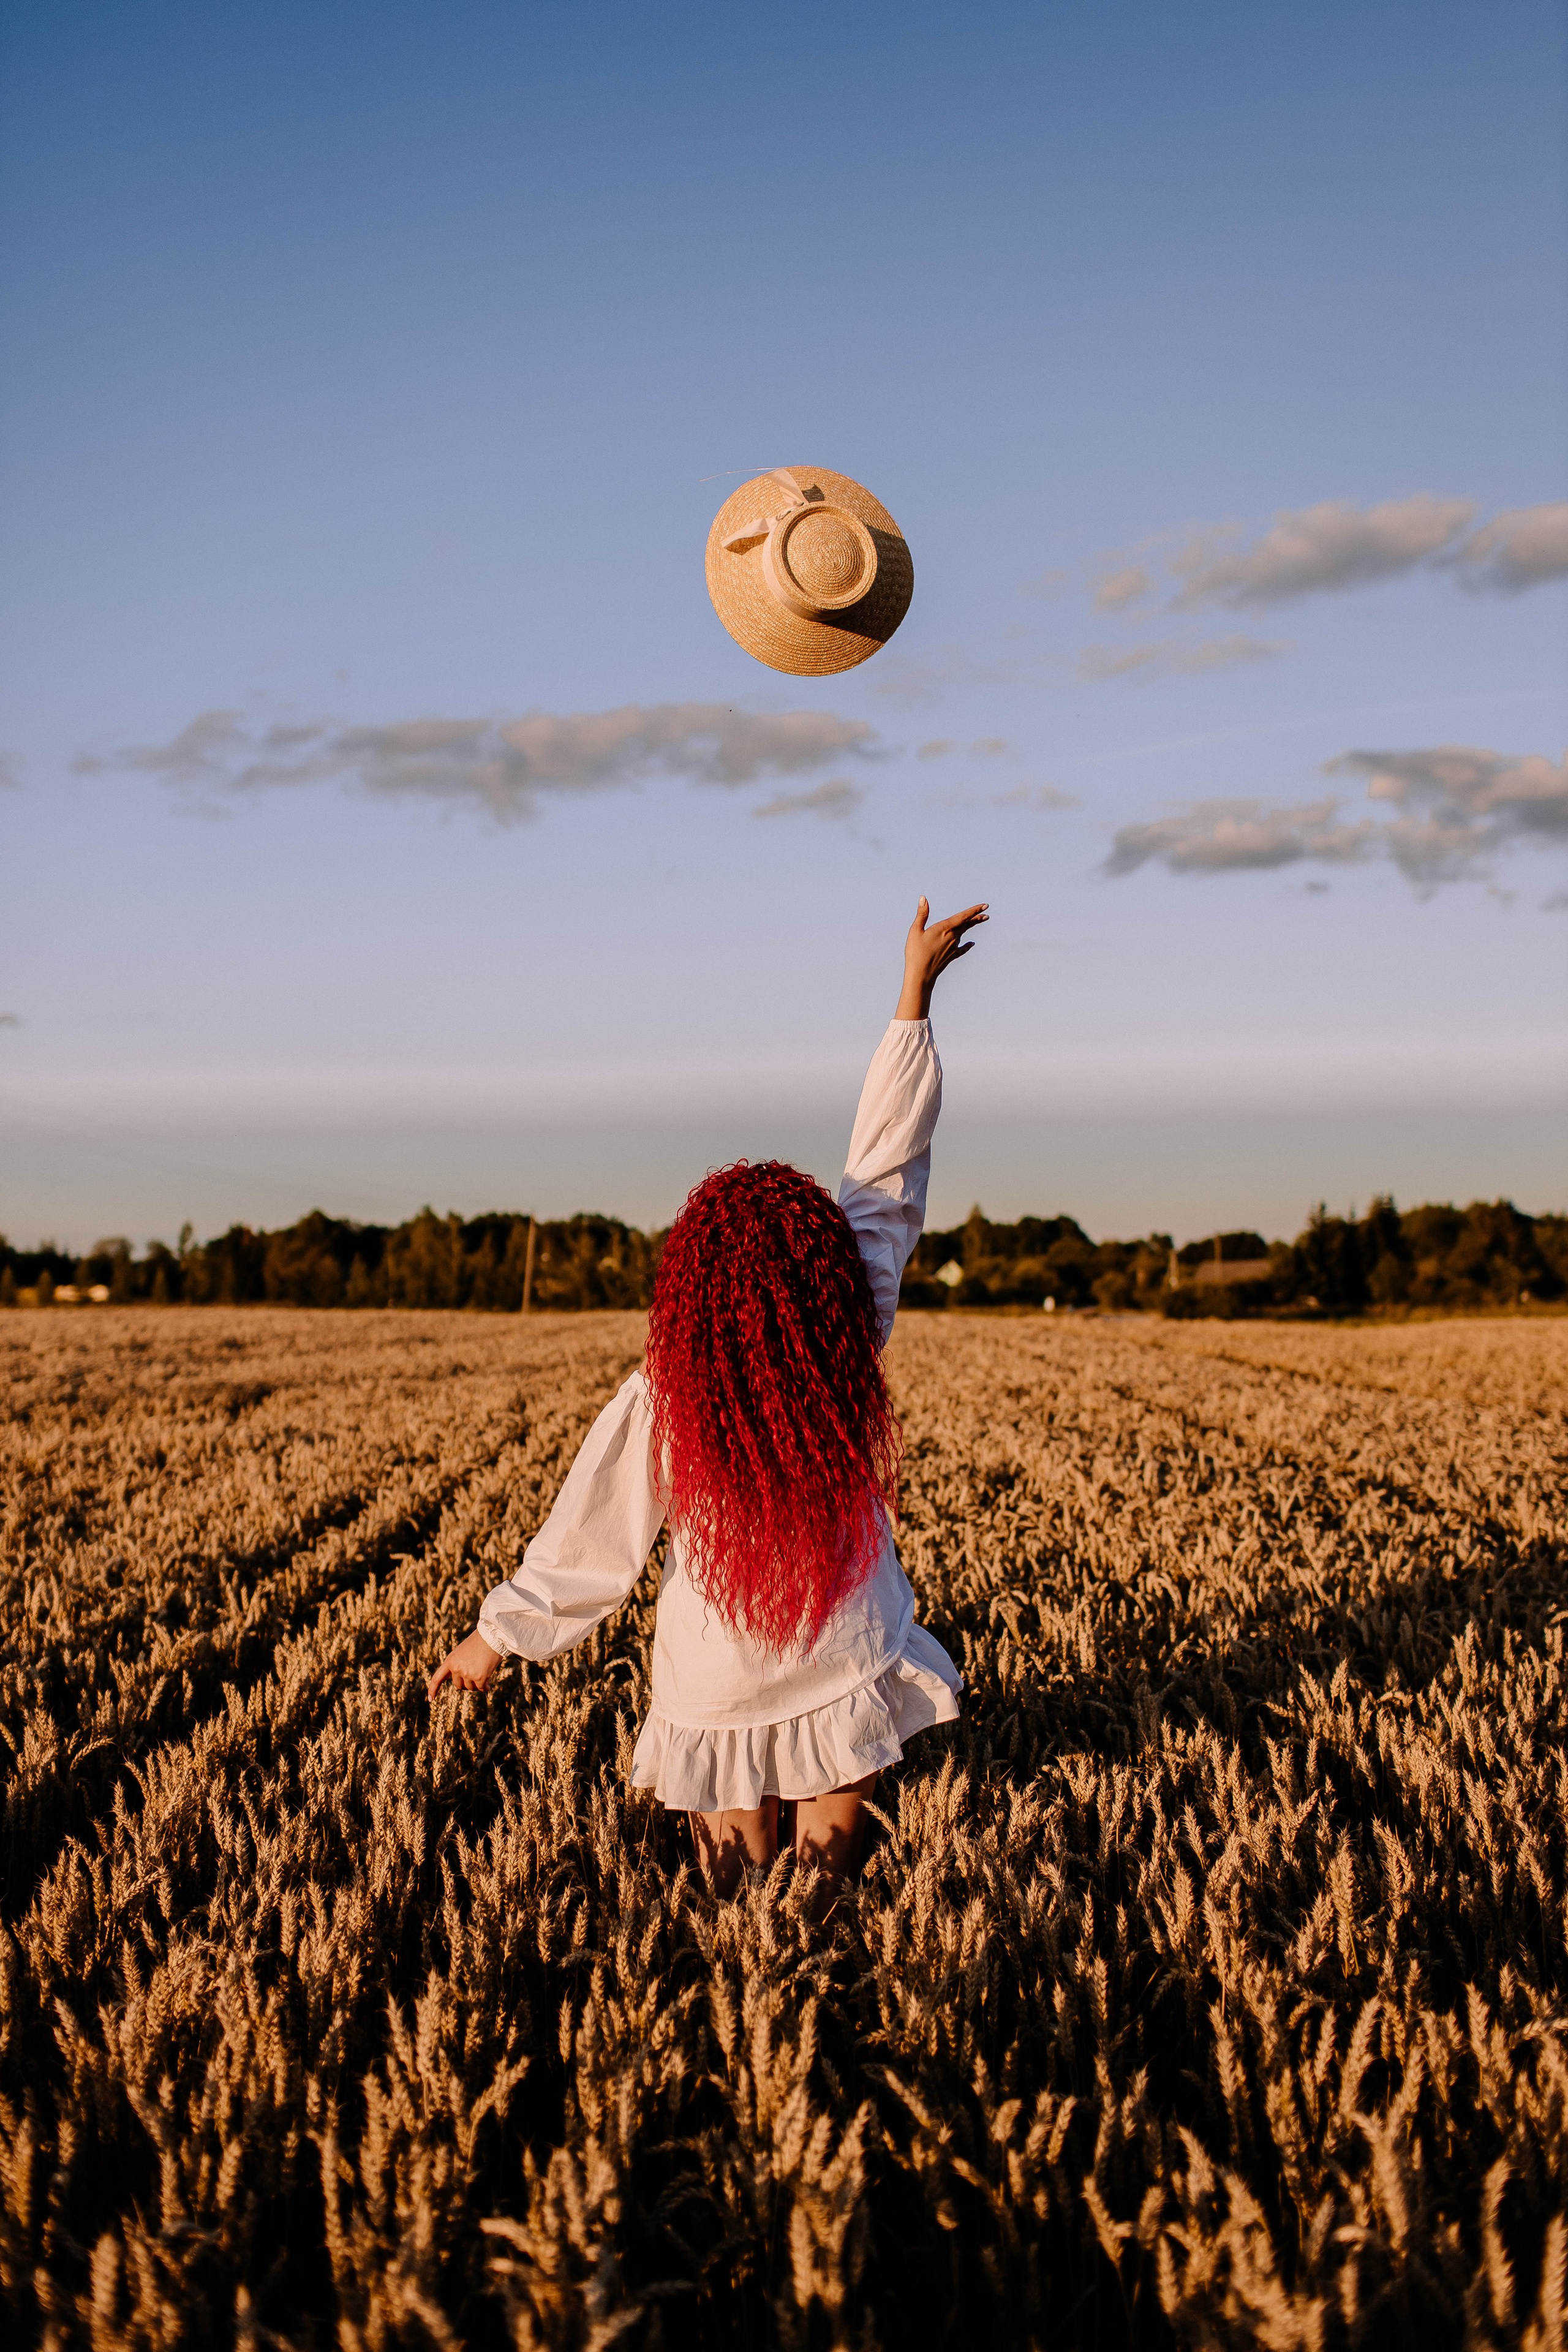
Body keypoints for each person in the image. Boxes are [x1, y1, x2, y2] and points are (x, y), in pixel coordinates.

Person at [429, 895, 988, 1905]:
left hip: (717, 1676)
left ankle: (750, 2024)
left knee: (737, 1901)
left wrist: (496, 1637)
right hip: (843, 1642)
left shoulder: (668, 1397)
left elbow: (590, 1541)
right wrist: (912, 998)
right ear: (819, 1268)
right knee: (823, 1888)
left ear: (689, 1288)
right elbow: (887, 1168)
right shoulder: (848, 1325)